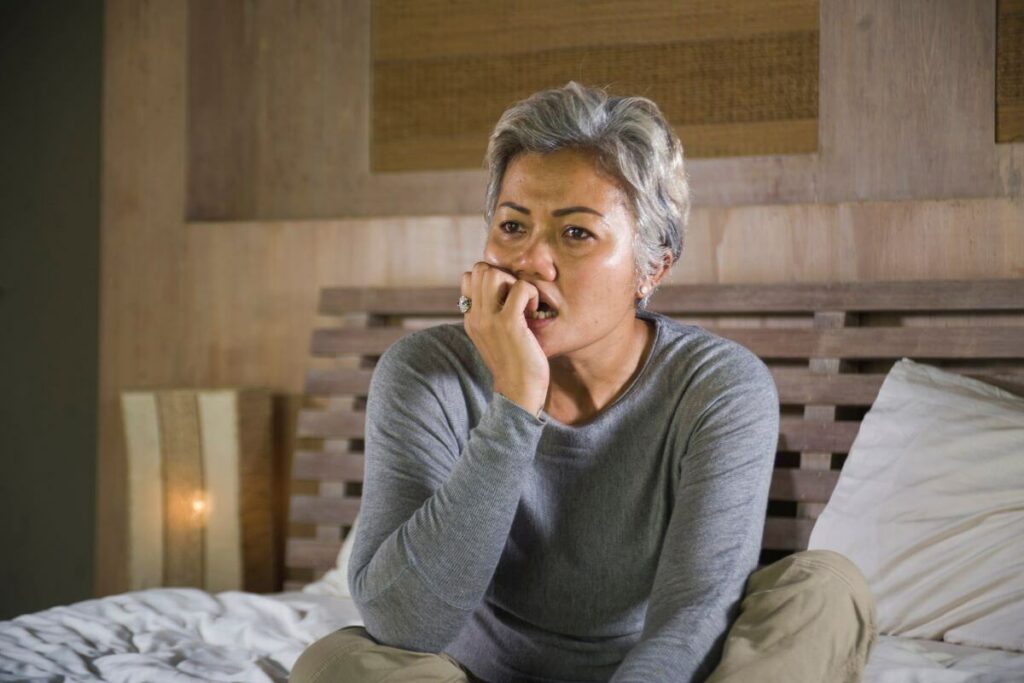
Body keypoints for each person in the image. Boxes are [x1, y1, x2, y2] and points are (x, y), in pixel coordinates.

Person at [291, 81, 877, 683]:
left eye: (576, 233)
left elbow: (693, 616)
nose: (529, 261)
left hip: (656, 674)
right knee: (337, 663)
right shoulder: (425, 373)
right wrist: (516, 402)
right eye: (512, 226)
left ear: (653, 267)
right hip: (470, 675)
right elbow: (404, 625)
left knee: (824, 589)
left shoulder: (719, 388)